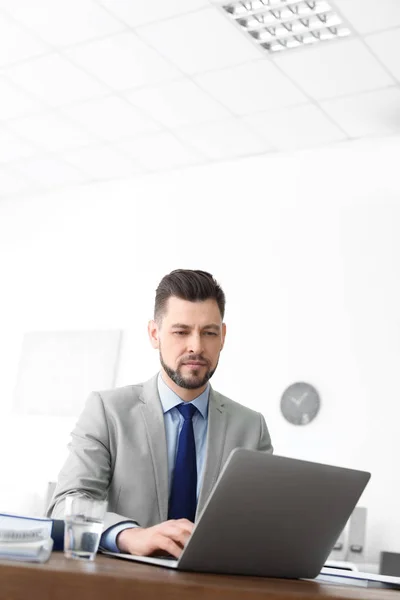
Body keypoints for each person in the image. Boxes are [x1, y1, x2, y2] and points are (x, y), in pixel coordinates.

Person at [48, 269, 273, 558]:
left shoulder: (252, 428)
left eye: (209, 332)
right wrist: (129, 535)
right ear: (155, 334)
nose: (196, 346)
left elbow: (263, 524)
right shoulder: (108, 411)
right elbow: (67, 504)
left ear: (223, 337)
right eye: (181, 332)